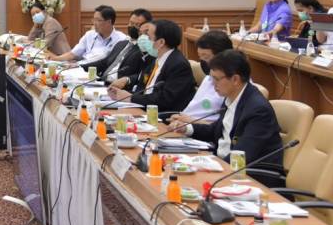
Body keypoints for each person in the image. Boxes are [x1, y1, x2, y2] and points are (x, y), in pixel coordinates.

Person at [173, 50, 284, 187]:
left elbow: (242, 155)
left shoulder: (258, 110)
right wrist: (187, 128)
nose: (213, 84)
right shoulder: (232, 97)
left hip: (250, 179)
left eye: (216, 79)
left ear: (235, 79)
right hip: (224, 167)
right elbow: (216, 130)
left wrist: (208, 168)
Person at [107, 19, 195, 113]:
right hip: (142, 109)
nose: (145, 39)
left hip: (161, 115)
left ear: (161, 42)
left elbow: (165, 99)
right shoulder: (157, 60)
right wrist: (120, 94)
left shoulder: (178, 65)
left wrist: (130, 98)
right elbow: (143, 90)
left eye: (148, 37)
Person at [176, 29, 234, 119]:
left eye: (206, 57)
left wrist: (188, 121)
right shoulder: (208, 78)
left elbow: (222, 124)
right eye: (200, 57)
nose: (203, 61)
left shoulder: (233, 84)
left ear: (223, 55)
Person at [50, 5, 127, 64]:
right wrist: (55, 58)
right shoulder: (89, 35)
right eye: (94, 19)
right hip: (81, 68)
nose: (94, 23)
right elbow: (73, 54)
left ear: (109, 22)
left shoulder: (121, 39)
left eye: (98, 20)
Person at [94, 10, 152, 84]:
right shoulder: (121, 43)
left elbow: (143, 74)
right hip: (101, 82)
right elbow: (104, 62)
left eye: (137, 24)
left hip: (119, 86)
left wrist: (127, 80)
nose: (132, 26)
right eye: (131, 23)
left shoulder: (146, 50)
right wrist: (80, 66)